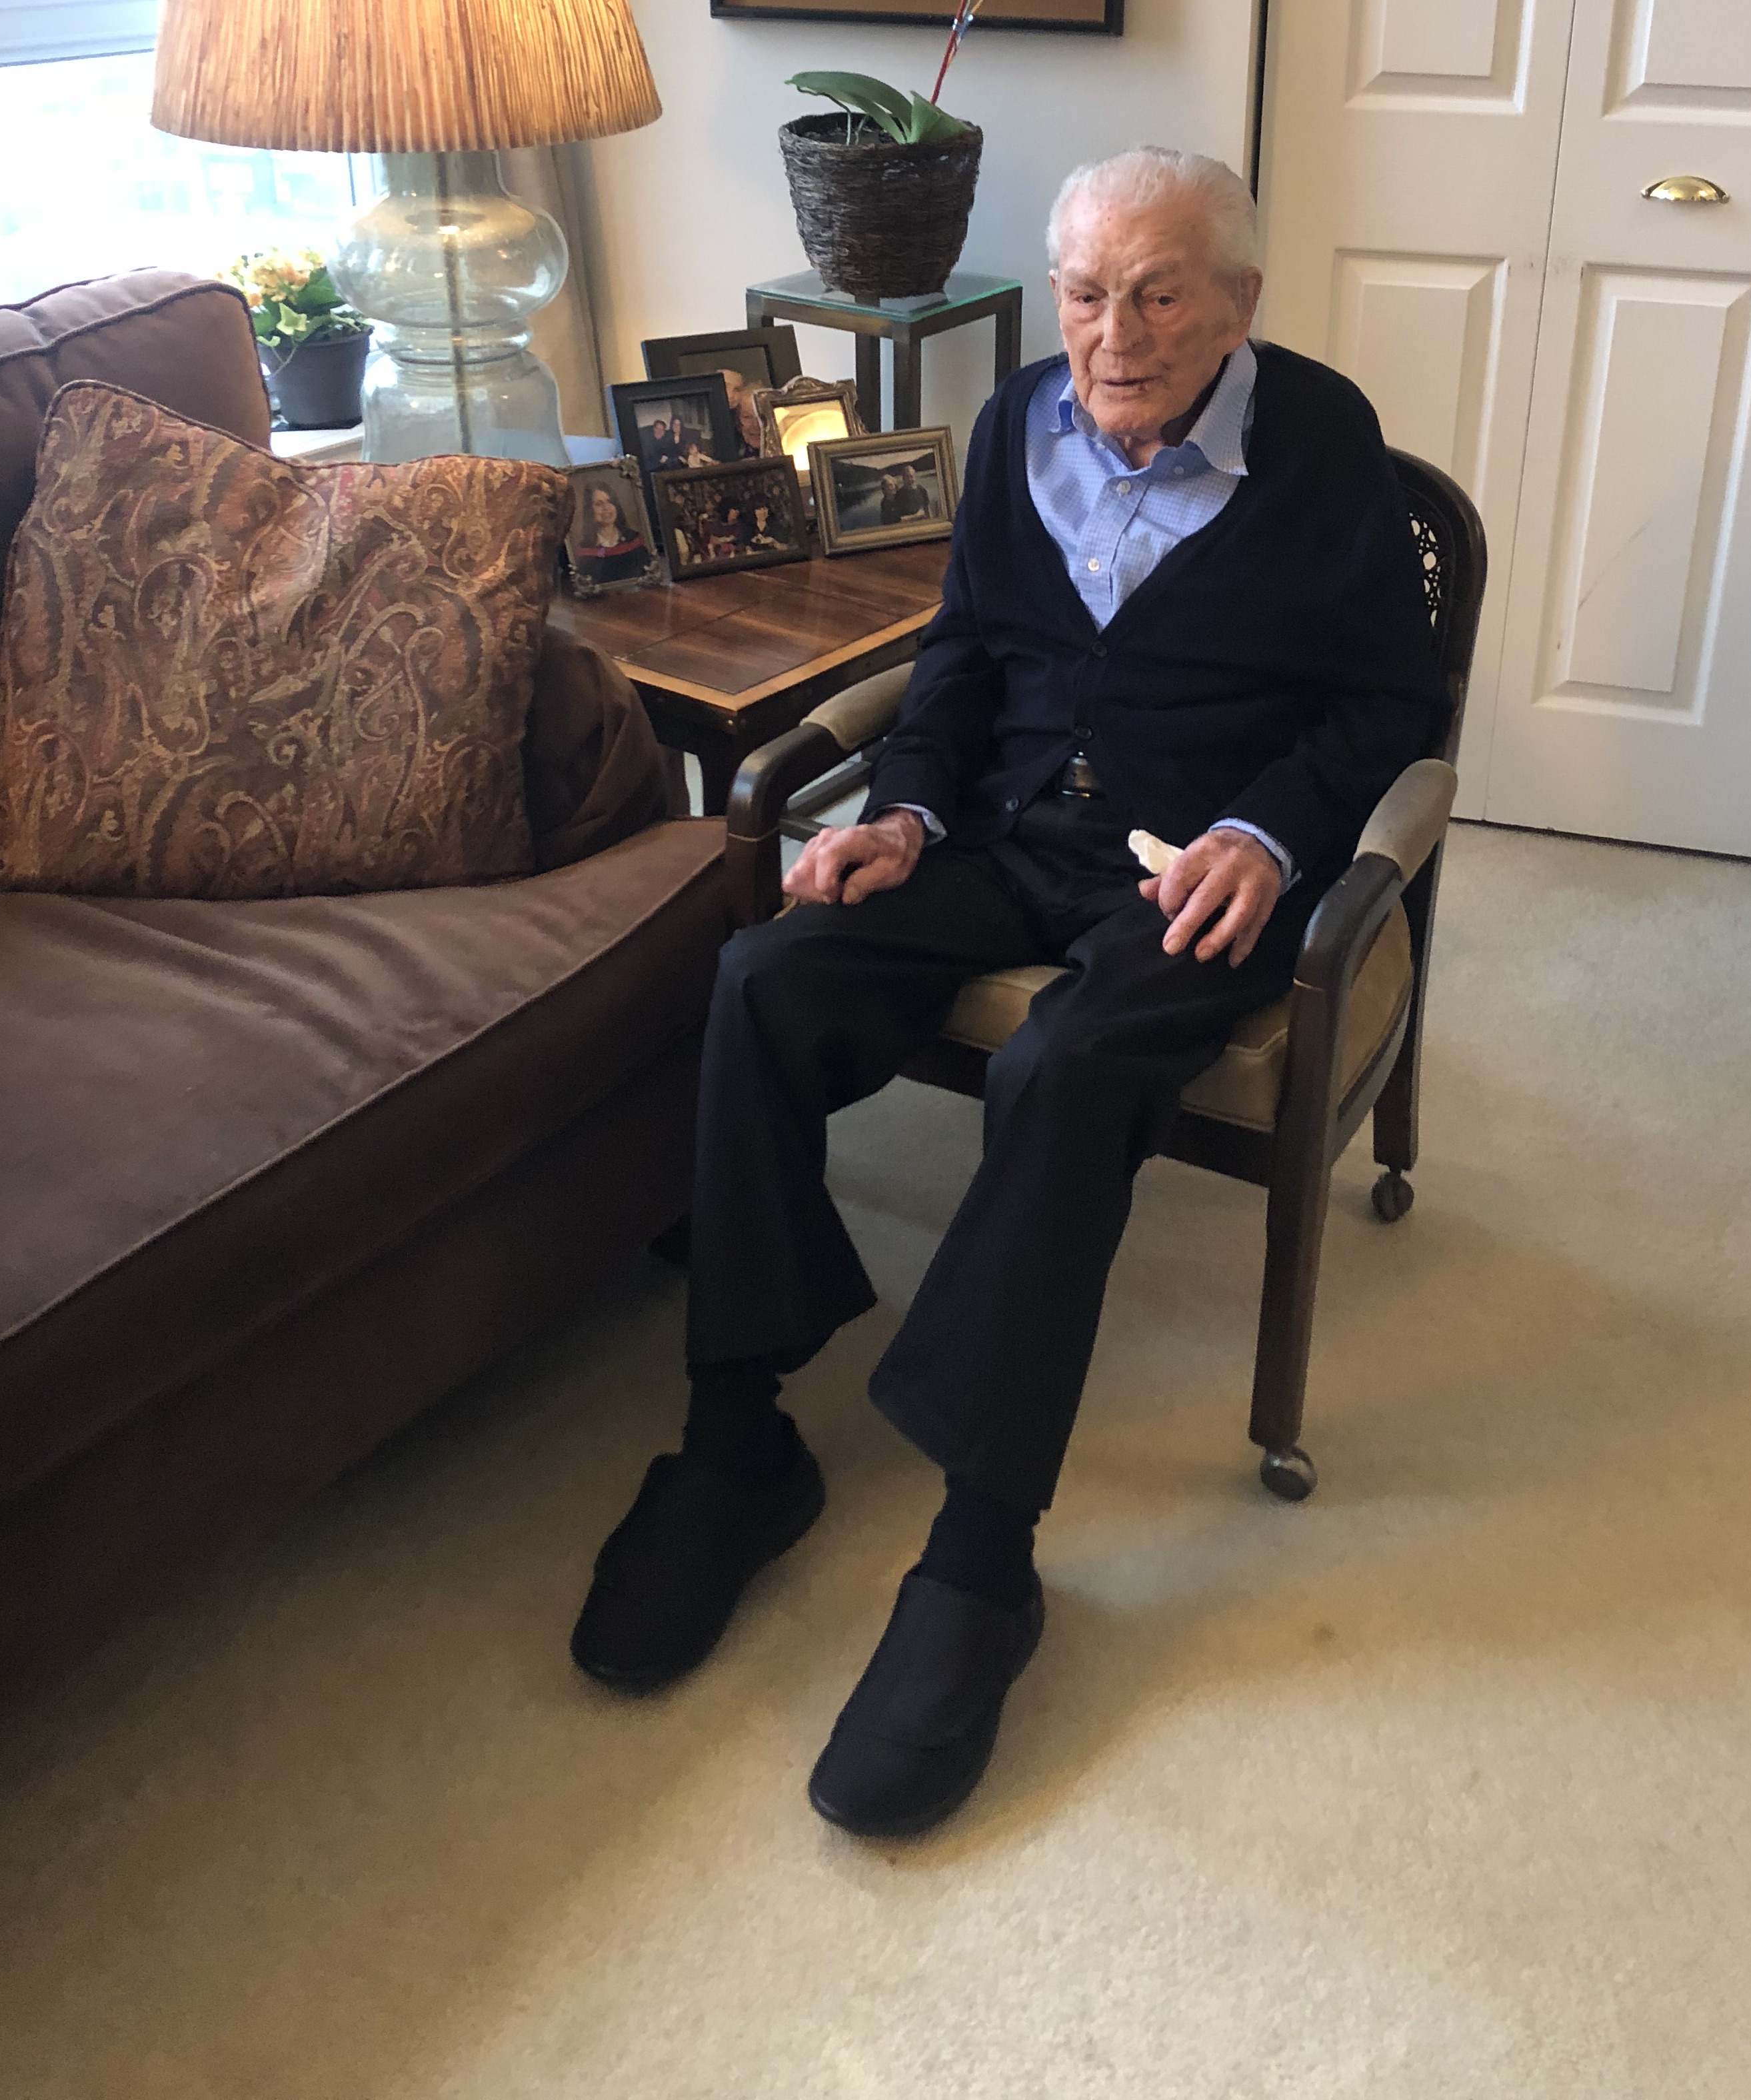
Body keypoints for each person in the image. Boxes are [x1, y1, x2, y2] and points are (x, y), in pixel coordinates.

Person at [571, 147, 1450, 1837]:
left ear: (1239, 302)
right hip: (997, 832)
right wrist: (901, 813)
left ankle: (982, 1552)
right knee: (763, 977)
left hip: (1193, 869)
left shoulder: (1324, 444)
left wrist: (1269, 835)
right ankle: (741, 1436)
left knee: (1066, 1070)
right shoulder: (1014, 425)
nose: (1114, 334)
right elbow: (966, 655)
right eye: (1085, 291)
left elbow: (1389, 705)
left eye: (1160, 293)